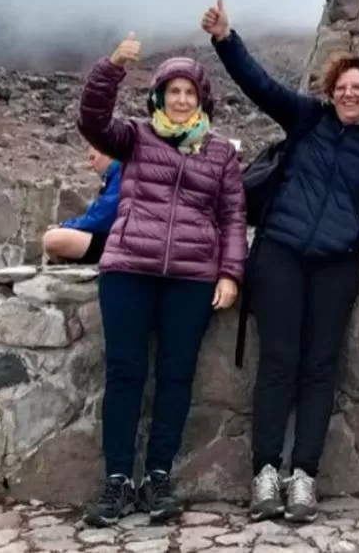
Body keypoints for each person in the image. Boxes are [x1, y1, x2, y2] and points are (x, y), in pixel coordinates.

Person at [201, 0, 359, 524]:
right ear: (331, 92)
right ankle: (266, 471)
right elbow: (260, 86)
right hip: (281, 255)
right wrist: (227, 39)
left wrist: (354, 237)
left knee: (319, 367)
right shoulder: (307, 119)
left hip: (337, 265)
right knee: (279, 362)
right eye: (342, 87)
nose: (349, 94)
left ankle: (304, 474)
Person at [77, 32, 246, 528]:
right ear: (158, 96)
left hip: (192, 278)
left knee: (176, 377)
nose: (180, 99)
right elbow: (91, 121)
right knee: (125, 373)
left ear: (202, 100)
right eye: (172, 91)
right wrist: (111, 68)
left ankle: (157, 477)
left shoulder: (220, 153)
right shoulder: (133, 135)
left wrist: (231, 272)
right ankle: (116, 482)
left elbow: (234, 216)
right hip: (129, 267)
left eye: (189, 92)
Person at [42, 144, 121, 265]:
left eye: (93, 158)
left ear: (107, 154)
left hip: (117, 243)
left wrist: (65, 225)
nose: (91, 165)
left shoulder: (120, 175)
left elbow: (101, 219)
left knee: (52, 239)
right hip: (115, 238)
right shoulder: (113, 176)